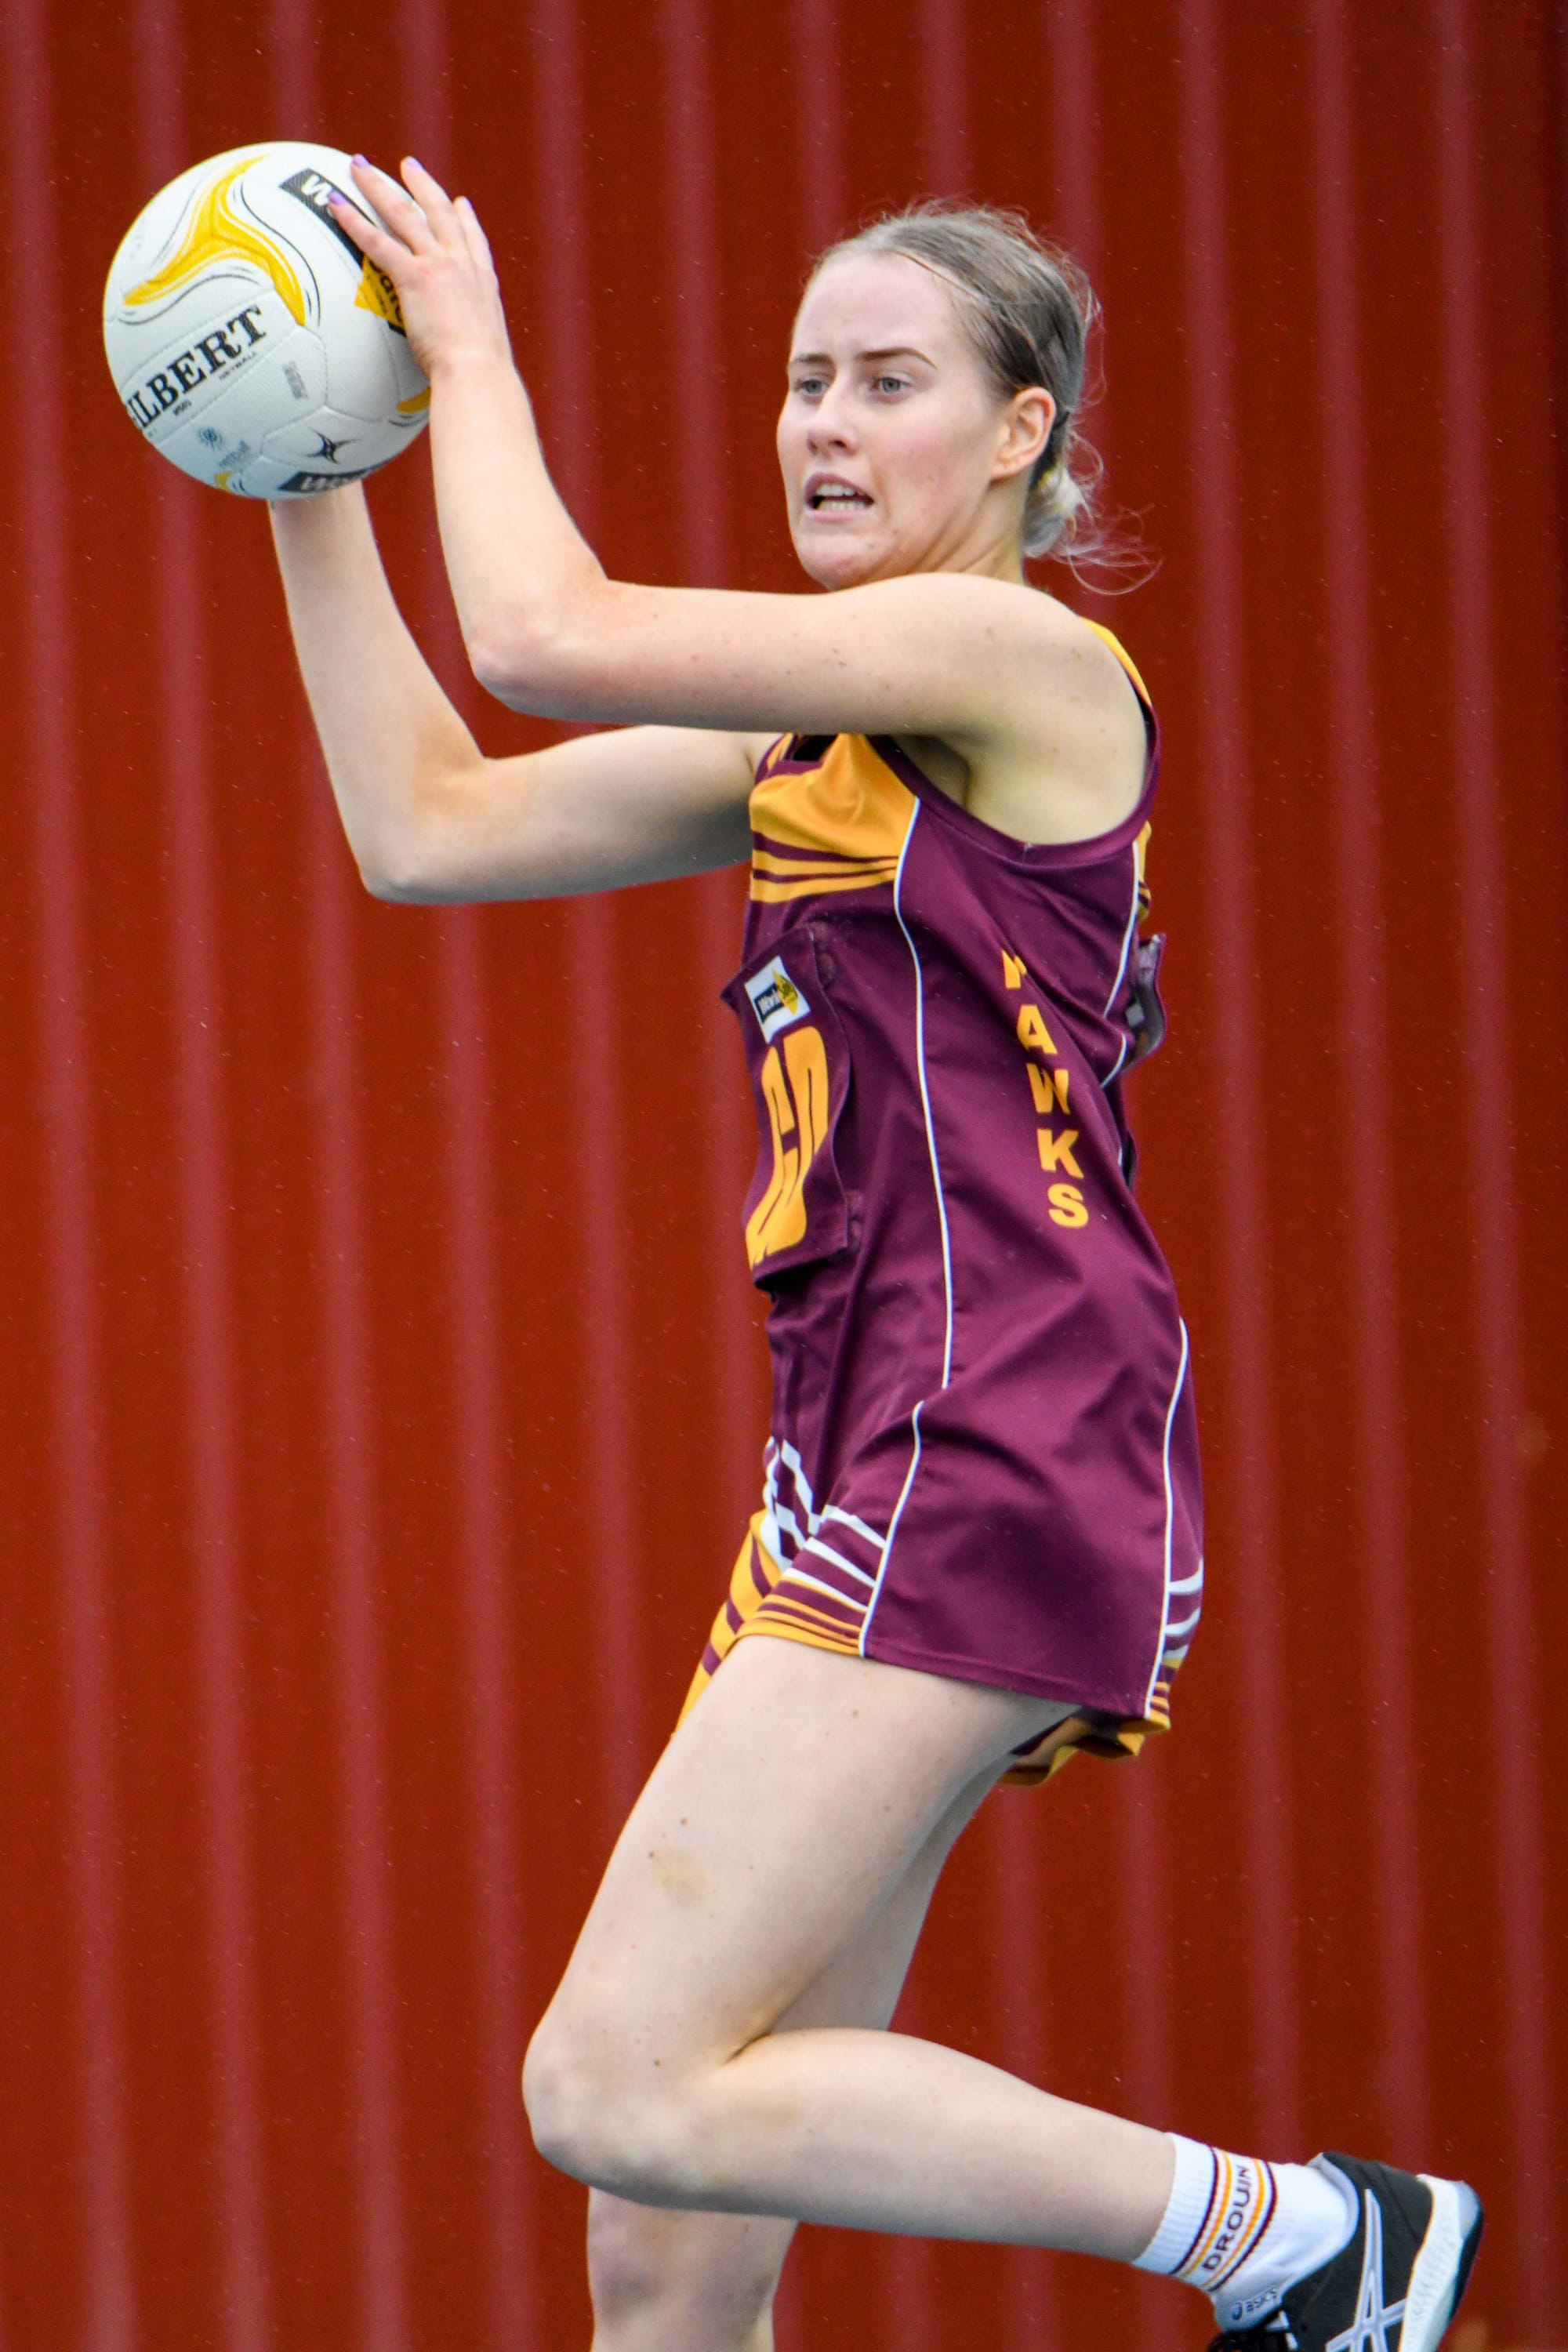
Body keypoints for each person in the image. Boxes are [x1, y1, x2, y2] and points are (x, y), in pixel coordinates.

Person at [268, 156, 1483, 2352]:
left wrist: (463, 350)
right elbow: (421, 827)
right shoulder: (812, 734)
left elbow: (542, 635)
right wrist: (300, 454)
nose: (823, 420)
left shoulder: (1010, 649)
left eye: (889, 383)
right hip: (876, 1443)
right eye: (805, 379)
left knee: (611, 2081)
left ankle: (1307, 2241)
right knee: (670, 2231)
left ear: (1020, 435)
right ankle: (1298, 2245)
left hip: (990, 1415)